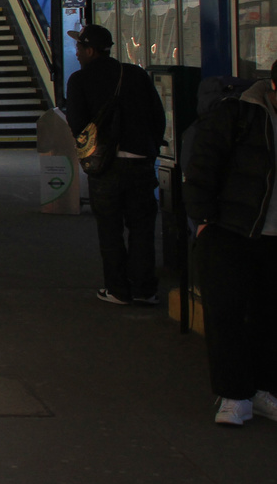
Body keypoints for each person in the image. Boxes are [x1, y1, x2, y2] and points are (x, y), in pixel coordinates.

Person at [181, 59, 277, 425]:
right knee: (226, 314)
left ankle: (265, 389)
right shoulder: (239, 115)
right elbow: (202, 167)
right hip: (230, 230)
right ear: (273, 89)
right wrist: (204, 220)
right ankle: (234, 395)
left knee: (270, 316)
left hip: (273, 237)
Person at [64, 24, 166, 306]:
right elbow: (158, 116)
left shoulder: (79, 80)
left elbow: (77, 124)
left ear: (90, 50)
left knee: (110, 229)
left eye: (79, 48)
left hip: (105, 166)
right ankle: (145, 289)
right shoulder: (134, 74)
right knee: (142, 228)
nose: (78, 53)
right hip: (141, 163)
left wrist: (91, 152)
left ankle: (118, 289)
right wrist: (149, 150)